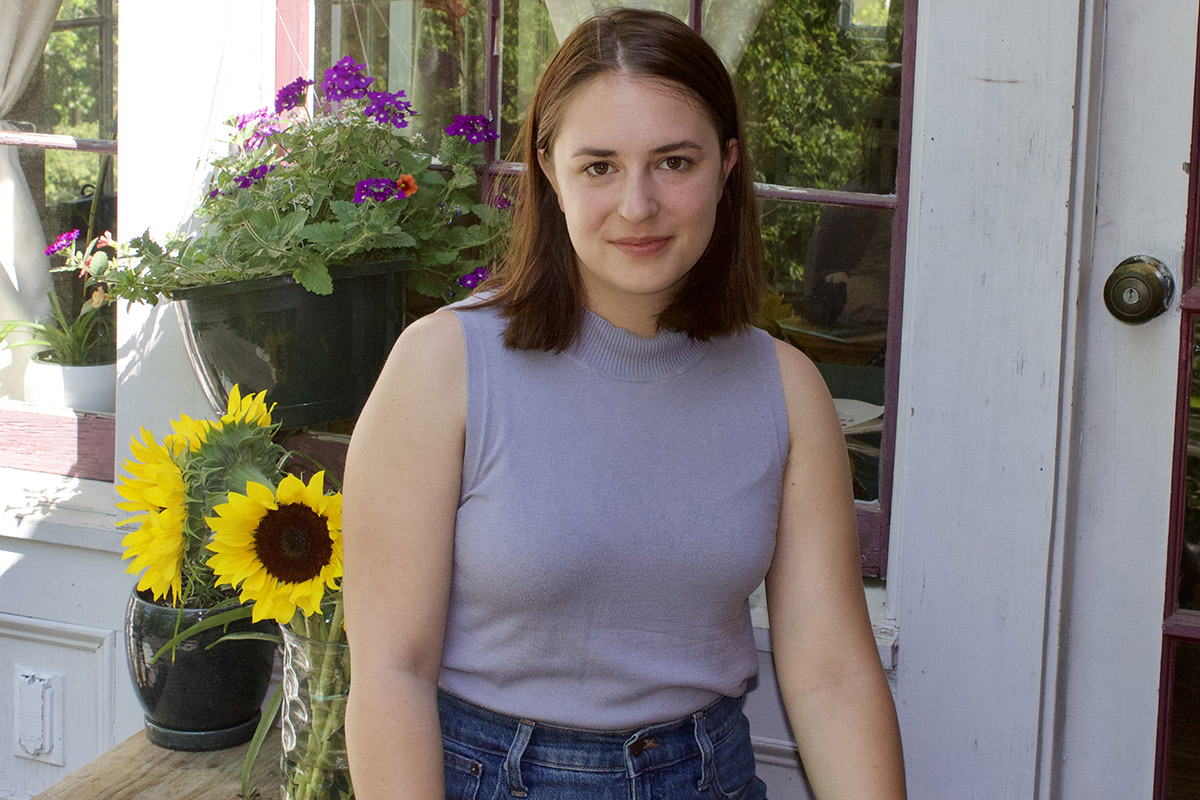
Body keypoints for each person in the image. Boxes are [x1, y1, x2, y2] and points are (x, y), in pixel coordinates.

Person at [342, 8, 906, 799]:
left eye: (674, 162)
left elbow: (833, 678)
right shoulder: (444, 366)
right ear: (548, 169)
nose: (638, 205)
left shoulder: (785, 389)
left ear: (728, 165)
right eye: (599, 166)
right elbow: (390, 674)